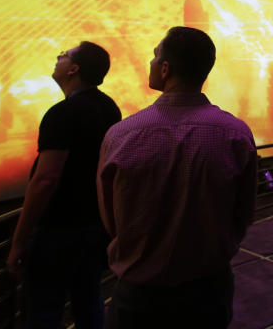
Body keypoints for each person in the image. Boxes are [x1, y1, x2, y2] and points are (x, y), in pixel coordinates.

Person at [98, 27, 257, 328]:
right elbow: (244, 214)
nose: (152, 61)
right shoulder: (235, 134)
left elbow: (111, 221)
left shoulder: (121, 135)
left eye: (155, 55)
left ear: (167, 69)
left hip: (138, 298)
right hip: (208, 293)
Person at [7, 42, 121, 329]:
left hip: (56, 233)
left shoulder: (62, 114)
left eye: (64, 55)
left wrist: (19, 241)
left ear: (74, 69)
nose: (58, 58)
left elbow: (46, 179)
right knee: (88, 301)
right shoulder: (109, 108)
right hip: (94, 229)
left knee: (43, 310)